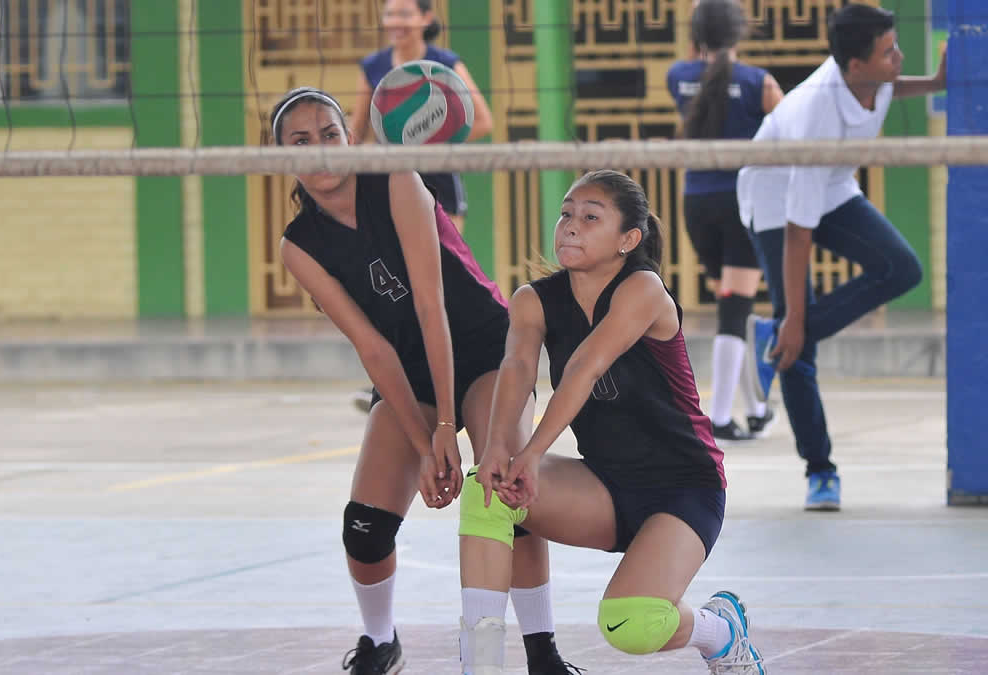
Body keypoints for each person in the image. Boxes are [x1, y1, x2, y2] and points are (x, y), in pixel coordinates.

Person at [271, 87, 576, 675]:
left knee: (505, 484)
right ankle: (380, 640)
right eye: (300, 141)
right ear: (279, 156)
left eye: (330, 135)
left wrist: (446, 426)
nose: (320, 151)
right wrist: (422, 441)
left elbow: (431, 307)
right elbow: (373, 346)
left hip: (487, 349)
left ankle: (542, 651)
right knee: (363, 529)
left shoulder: (396, 180)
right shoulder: (298, 245)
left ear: (349, 139)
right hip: (409, 375)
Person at [456, 170, 764, 674]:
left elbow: (584, 366)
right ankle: (481, 667)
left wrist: (531, 453)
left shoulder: (642, 288)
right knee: (486, 489)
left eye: (591, 217)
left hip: (683, 489)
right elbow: (514, 371)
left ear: (628, 240)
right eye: (567, 214)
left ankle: (722, 631)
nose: (571, 226)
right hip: (604, 486)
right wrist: (494, 447)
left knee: (632, 623)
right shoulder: (533, 300)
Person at [736, 4, 945, 510]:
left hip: (833, 189)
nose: (897, 57)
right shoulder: (816, 117)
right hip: (775, 201)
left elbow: (893, 83)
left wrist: (936, 82)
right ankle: (820, 470)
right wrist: (797, 320)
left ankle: (776, 334)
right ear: (854, 66)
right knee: (798, 348)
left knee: (902, 269)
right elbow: (797, 232)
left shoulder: (873, 77)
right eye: (888, 52)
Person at [348, 0, 494, 416]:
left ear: (426, 19)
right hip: (391, 185)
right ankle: (398, 374)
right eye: (390, 13)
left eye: (404, 13)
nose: (395, 21)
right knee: (398, 282)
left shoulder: (443, 64)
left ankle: (458, 367)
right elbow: (358, 132)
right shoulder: (373, 66)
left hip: (439, 185)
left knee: (442, 279)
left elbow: (481, 120)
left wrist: (429, 136)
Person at [666, 0, 783, 442]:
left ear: (696, 37)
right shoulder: (758, 82)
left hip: (697, 205)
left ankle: (755, 409)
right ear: (740, 34)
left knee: (734, 302)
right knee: (735, 308)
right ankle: (717, 418)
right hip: (741, 204)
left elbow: (700, 74)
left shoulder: (678, 76)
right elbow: (793, 133)